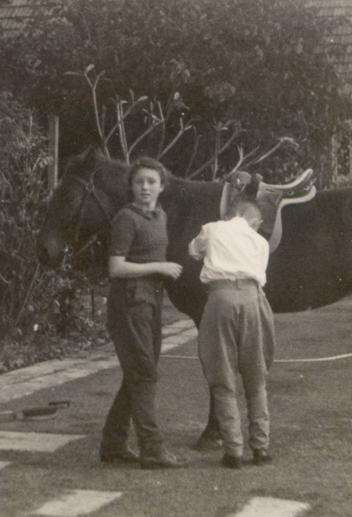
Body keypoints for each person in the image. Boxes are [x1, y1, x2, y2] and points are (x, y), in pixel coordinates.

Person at [100, 157, 186, 469]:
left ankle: (113, 444)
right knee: (144, 373)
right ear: (131, 187)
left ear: (162, 186)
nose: (145, 187)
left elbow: (156, 252)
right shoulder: (126, 218)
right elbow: (116, 267)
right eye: (139, 182)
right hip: (129, 304)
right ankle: (152, 448)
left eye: (151, 181)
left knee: (137, 373)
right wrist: (159, 267)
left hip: (150, 303)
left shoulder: (159, 216)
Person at [188, 197, 275, 469]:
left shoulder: (213, 228)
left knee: (222, 373)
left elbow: (193, 251)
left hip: (221, 296)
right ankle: (261, 447)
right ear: (256, 221)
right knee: (256, 374)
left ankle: (233, 451)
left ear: (230, 213)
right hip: (253, 298)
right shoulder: (260, 242)